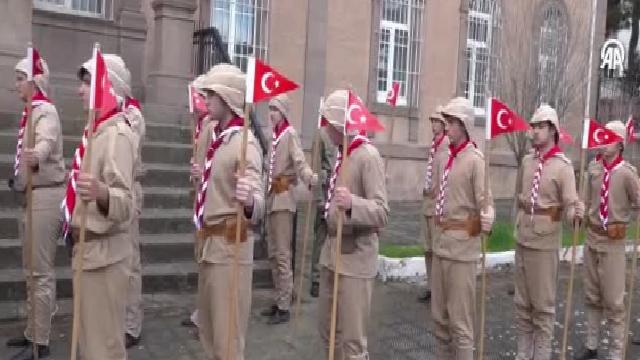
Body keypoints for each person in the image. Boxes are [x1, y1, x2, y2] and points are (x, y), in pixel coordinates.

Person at [64, 53, 136, 359]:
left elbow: (126, 205)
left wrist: (102, 192)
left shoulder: (117, 136)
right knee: (90, 346)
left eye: (87, 82)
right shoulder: (96, 132)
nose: (80, 90)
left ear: (107, 87)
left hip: (105, 258)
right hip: (88, 254)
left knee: (103, 349)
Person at [191, 63, 264, 359]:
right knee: (209, 332)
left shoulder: (246, 146)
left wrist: (249, 202)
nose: (205, 99)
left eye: (212, 94)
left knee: (228, 340)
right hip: (210, 247)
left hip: (230, 251)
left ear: (228, 98)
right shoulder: (217, 139)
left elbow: (259, 203)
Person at [317, 89, 389, 360]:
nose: (324, 129)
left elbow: (381, 212)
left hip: (356, 261)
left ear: (338, 125)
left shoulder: (367, 156)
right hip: (332, 256)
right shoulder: (341, 153)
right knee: (328, 333)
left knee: (352, 342)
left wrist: (353, 205)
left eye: (328, 123)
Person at [513, 104, 584, 360]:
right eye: (532, 126)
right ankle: (523, 353)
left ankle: (541, 355)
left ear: (553, 130)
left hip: (544, 243)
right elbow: (519, 197)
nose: (534, 131)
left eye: (540, 126)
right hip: (523, 238)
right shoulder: (527, 161)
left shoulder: (563, 167)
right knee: (522, 304)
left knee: (542, 308)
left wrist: (574, 214)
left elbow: (568, 206)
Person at [7, 52, 65, 360]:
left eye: (20, 78)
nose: (15, 84)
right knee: (30, 269)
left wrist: (37, 155)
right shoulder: (31, 111)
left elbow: (45, 141)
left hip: (46, 195)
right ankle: (32, 330)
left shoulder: (46, 111)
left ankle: (40, 341)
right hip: (32, 192)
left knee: (40, 270)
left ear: (34, 81)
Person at [430, 97, 495, 359]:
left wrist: (489, 215)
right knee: (440, 320)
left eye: (453, 122)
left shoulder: (475, 160)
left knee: (460, 323)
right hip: (442, 244)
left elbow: (486, 201)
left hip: (462, 250)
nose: (447, 127)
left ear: (465, 125)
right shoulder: (444, 156)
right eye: (447, 121)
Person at [574, 120, 640, 360]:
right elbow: (587, 200)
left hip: (613, 242)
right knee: (591, 294)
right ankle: (592, 344)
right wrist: (579, 210)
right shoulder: (594, 168)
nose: (602, 140)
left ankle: (615, 351)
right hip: (592, 238)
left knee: (613, 300)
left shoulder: (626, 173)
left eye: (609, 137)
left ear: (620, 143)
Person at [261, 93, 317, 324]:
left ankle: (285, 305)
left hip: (284, 199)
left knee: (283, 254)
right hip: (272, 198)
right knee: (273, 253)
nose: (271, 113)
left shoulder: (289, 134)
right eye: (270, 109)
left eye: (275, 109)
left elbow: (299, 161)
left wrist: (309, 178)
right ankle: (279, 297)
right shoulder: (274, 136)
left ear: (283, 112)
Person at [121, 66, 146, 349]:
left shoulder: (132, 116)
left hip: (128, 189)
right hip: (113, 193)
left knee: (130, 261)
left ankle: (132, 323)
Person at [419, 106, 449, 303]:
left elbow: (444, 177)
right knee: (427, 248)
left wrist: (435, 191)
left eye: (436, 121)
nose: (433, 124)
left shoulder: (445, 145)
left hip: (437, 204)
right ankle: (431, 286)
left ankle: (438, 288)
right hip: (427, 204)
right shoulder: (434, 144)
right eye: (432, 121)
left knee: (437, 249)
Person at [310, 129, 337, 298]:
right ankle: (316, 278)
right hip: (325, 192)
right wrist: (318, 197)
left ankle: (331, 275)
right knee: (320, 238)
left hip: (339, 194)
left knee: (335, 237)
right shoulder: (322, 135)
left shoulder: (345, 135)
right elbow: (316, 168)